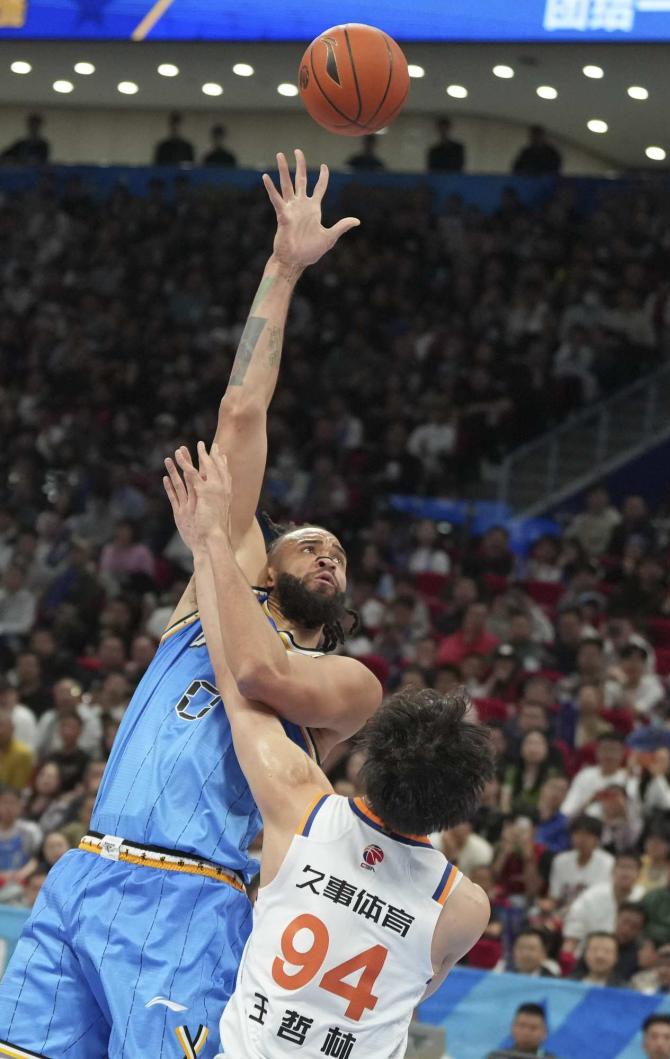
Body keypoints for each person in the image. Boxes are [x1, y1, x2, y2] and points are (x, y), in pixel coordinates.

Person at [0, 151, 377, 1058]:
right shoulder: (212, 587)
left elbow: (260, 671)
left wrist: (210, 545)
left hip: (196, 899)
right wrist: (282, 268)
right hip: (86, 871)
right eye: (308, 541)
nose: (326, 553)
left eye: (338, 553)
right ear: (266, 559)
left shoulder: (347, 681)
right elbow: (241, 413)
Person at [167, 456, 493, 1055]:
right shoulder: (466, 908)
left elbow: (239, 683)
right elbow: (411, 993)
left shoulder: (304, 809)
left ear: (372, 757)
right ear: (459, 804)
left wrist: (209, 543)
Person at [562, 852, 643, 953]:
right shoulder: (593, 894)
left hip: (626, 952)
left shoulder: (642, 897)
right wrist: (568, 951)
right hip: (589, 951)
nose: (625, 873)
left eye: (631, 868)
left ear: (639, 874)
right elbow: (574, 927)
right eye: (622, 867)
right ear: (612, 871)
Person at [546, 814, 614, 912]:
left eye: (587, 835)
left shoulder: (608, 862)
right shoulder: (560, 860)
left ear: (597, 839)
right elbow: (554, 897)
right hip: (562, 913)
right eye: (577, 834)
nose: (582, 839)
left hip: (594, 913)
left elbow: (603, 900)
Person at [487, 1003, 560, 1059]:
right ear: (513, 1027)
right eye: (522, 1026)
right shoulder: (497, 1057)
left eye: (533, 1028)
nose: (526, 1033)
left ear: (544, 1032)